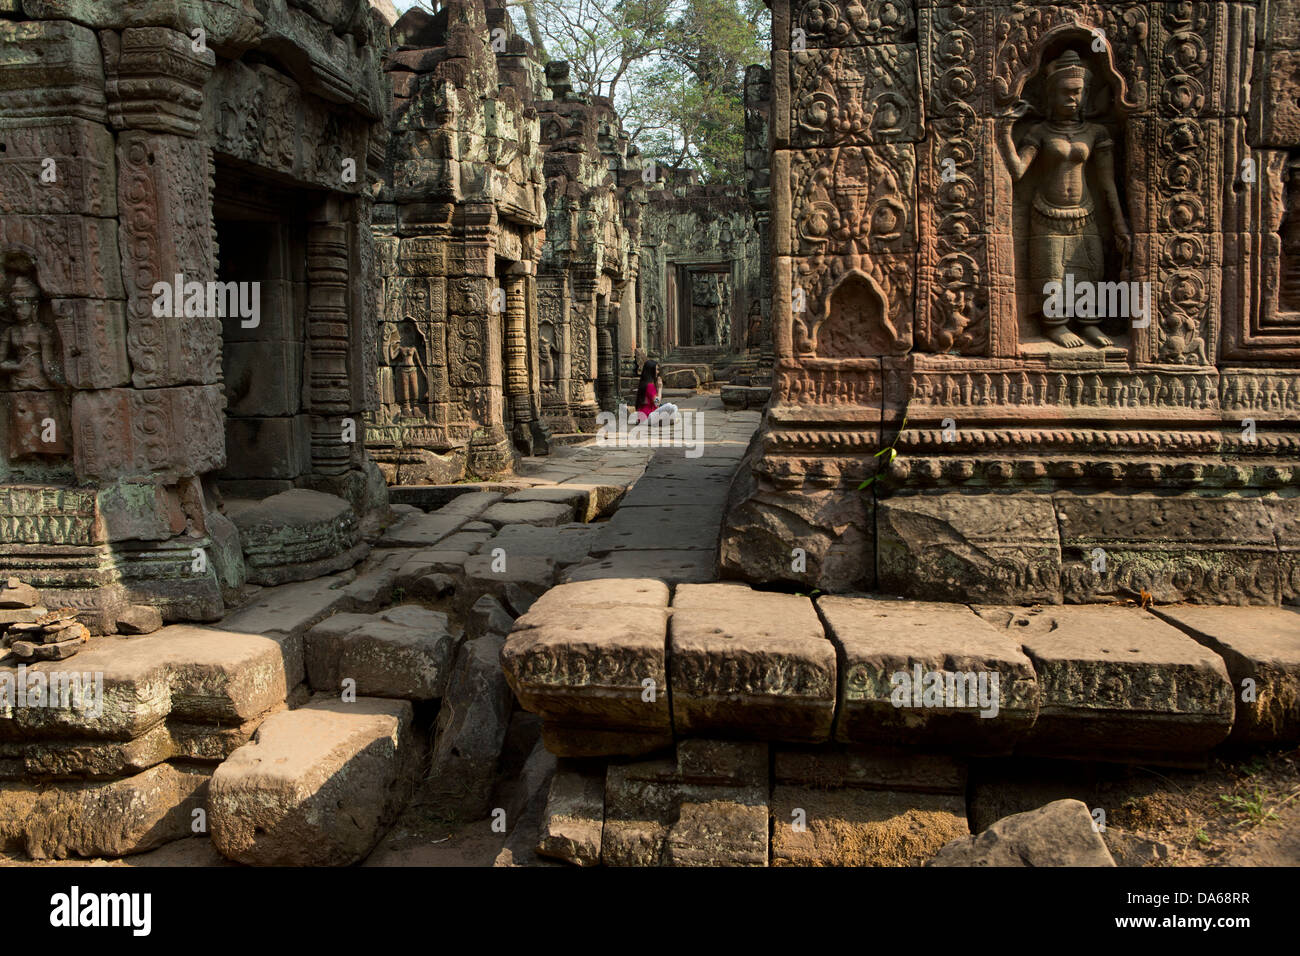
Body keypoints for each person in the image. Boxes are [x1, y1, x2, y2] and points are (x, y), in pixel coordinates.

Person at [634, 359, 679, 426]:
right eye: (657, 369)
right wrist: (660, 388)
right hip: (648, 417)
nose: (658, 372)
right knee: (670, 406)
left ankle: (666, 421)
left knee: (674, 406)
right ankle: (669, 420)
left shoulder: (643, 384)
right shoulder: (650, 386)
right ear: (651, 371)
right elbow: (657, 403)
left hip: (644, 417)